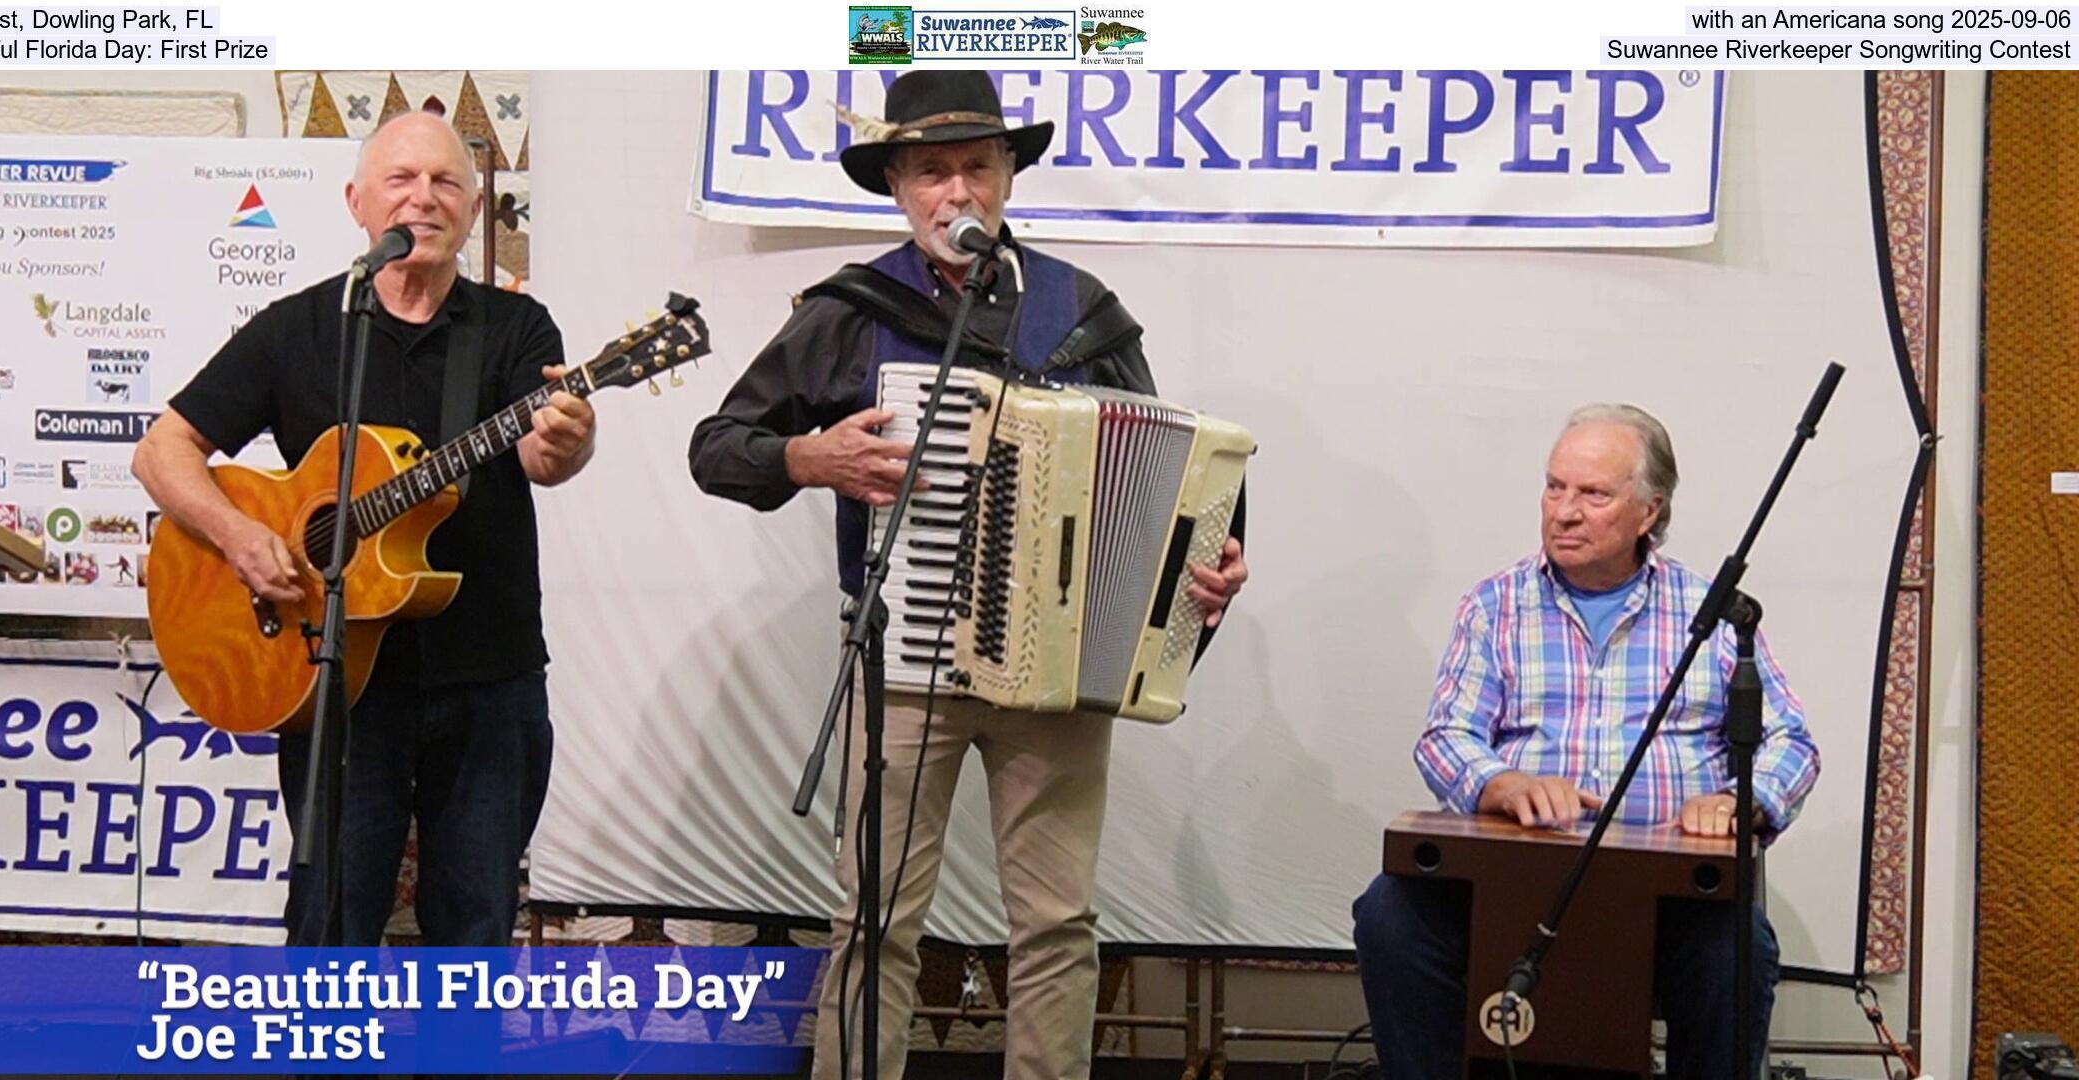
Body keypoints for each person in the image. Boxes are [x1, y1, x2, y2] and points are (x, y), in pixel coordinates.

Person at [689, 70, 1249, 1080]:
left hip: (1054, 675)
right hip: (902, 668)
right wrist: (809, 458)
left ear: (1008, 180)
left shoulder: (1084, 311)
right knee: (876, 920)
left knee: (1055, 923)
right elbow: (717, 444)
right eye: (934, 172)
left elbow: (1175, 479)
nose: (959, 192)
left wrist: (1202, 570)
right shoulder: (852, 310)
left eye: (978, 168)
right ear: (900, 189)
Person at [131, 111, 597, 947]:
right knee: (330, 925)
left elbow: (539, 457)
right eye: (401, 179)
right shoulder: (301, 328)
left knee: (476, 932)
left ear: (475, 204)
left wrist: (569, 439)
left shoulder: (516, 330)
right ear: (357, 203)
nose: (424, 197)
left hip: (488, 680)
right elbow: (163, 451)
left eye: (447, 181)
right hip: (334, 681)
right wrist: (241, 538)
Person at [1350, 404, 1821, 1080]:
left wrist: (1738, 800)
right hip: (1517, 883)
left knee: (1737, 946)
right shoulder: (1496, 605)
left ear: (1649, 511)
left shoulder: (1709, 612)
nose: (1565, 511)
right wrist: (1502, 785)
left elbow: (1793, 742)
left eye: (1593, 493)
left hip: (1667, 899)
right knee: (1391, 913)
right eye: (1554, 487)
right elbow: (1445, 737)